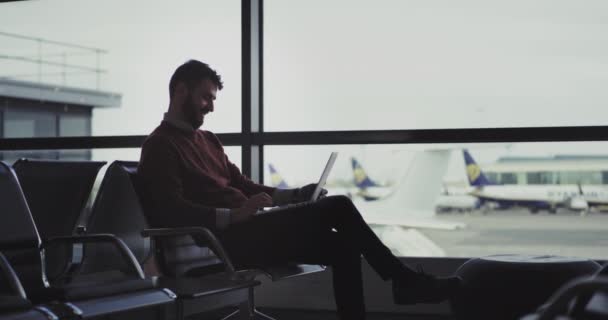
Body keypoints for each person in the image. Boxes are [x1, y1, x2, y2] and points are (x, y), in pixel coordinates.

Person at [138, 59, 460, 319]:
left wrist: (294, 195)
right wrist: (235, 215)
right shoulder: (160, 146)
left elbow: (242, 184)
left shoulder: (208, 140)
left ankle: (393, 292)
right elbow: (171, 210)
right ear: (180, 91)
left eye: (213, 99)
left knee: (343, 245)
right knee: (339, 206)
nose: (210, 107)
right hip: (228, 242)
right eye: (206, 97)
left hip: (252, 230)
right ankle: (405, 282)